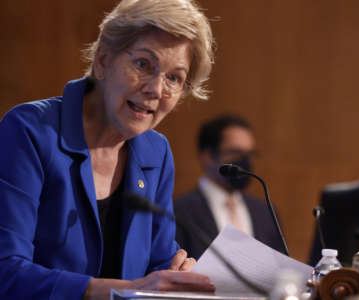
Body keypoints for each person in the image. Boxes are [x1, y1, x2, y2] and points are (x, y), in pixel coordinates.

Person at [0, 0, 216, 299]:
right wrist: (126, 290)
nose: (156, 89)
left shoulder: (156, 152)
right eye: (143, 64)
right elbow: (6, 271)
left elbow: (156, 262)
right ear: (102, 60)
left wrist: (174, 276)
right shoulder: (30, 131)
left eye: (173, 78)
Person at [174, 115, 287, 260]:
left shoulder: (266, 212)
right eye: (235, 153)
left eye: (250, 154)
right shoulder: (178, 212)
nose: (245, 161)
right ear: (208, 156)